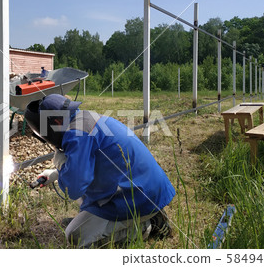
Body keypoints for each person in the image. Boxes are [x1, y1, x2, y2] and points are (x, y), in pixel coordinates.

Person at [25, 94, 175, 248]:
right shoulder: (84, 118)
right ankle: (122, 219)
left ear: (56, 122)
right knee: (85, 203)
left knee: (76, 235)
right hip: (147, 187)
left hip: (140, 196)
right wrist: (55, 173)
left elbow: (74, 189)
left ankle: (148, 225)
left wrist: (62, 165)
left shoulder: (77, 133)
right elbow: (92, 163)